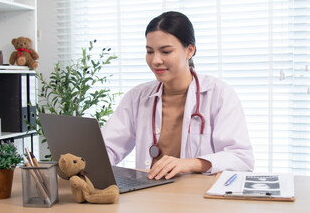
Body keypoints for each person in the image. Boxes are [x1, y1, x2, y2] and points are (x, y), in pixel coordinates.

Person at [101, 11, 254, 180]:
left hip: (196, 199)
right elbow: (107, 148)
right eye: (150, 51)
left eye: (165, 52)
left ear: (189, 51)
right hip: (147, 194)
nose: (155, 60)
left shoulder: (218, 94)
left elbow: (241, 159)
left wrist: (190, 163)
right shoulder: (137, 97)